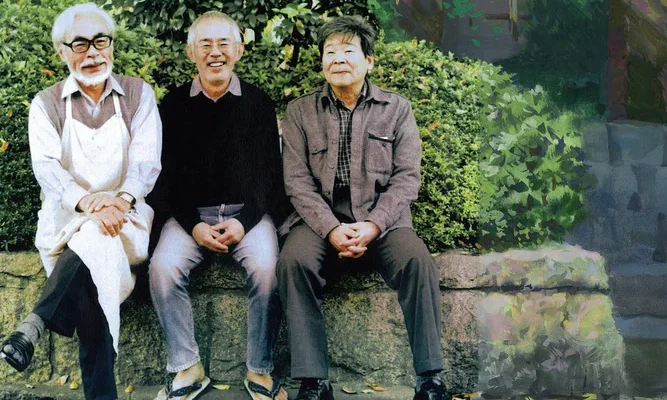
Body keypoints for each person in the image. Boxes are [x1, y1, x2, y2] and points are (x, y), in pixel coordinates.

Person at [278, 15, 450, 400]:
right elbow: (297, 182)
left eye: (348, 51)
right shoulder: (300, 112)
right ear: (322, 61)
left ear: (369, 61)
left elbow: (407, 178)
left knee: (417, 261)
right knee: (293, 261)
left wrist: (373, 225)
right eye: (330, 52)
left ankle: (431, 378)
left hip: (382, 221)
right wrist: (331, 228)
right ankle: (313, 382)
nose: (338, 59)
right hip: (319, 221)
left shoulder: (397, 109)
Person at [0, 3, 162, 400]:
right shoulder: (46, 104)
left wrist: (118, 202)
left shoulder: (138, 94)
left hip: (126, 222)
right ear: (62, 51)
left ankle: (36, 323)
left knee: (96, 244)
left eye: (100, 41)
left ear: (112, 45)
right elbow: (48, 169)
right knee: (94, 262)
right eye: (80, 44)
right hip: (67, 224)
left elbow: (146, 162)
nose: (92, 53)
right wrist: (90, 205)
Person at [147, 11, 286, 400]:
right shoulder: (173, 105)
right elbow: (166, 177)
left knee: (268, 270)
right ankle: (187, 367)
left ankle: (260, 369)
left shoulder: (258, 103)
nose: (215, 52)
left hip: (247, 215)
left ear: (238, 50)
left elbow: (270, 177)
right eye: (205, 44)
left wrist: (245, 221)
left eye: (224, 43)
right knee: (163, 268)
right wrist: (193, 225)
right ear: (191, 52)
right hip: (190, 218)